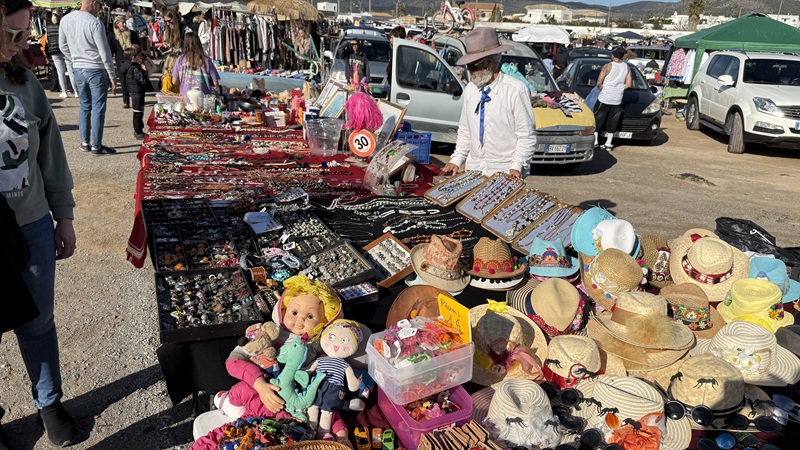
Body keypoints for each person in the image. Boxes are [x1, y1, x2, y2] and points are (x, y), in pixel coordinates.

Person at [0, 0, 78, 446]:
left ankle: (49, 402)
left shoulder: (24, 79)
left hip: (29, 224)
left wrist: (62, 215)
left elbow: (50, 152)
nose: (24, 45)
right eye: (14, 35)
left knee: (38, 321)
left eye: (27, 33)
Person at [441, 28, 536, 179]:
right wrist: (456, 160)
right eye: (468, 65)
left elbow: (526, 136)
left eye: (473, 66)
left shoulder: (516, 90)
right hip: (474, 171)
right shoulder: (471, 90)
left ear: (489, 63)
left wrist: (516, 166)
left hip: (505, 173)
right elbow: (466, 131)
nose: (469, 70)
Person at [59, 0, 118, 156]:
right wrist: (112, 75)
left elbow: (62, 45)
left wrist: (74, 59)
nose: (99, 8)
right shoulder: (95, 23)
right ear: (93, 3)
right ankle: (96, 145)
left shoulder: (66, 19)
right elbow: (104, 51)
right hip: (96, 68)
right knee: (98, 108)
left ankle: (85, 142)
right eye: (99, 4)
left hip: (78, 68)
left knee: (85, 106)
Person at [593, 47, 632, 151]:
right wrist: (618, 88)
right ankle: (608, 143)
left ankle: (596, 141)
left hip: (605, 96)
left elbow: (598, 82)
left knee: (598, 118)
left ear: (613, 55)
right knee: (613, 120)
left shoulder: (608, 66)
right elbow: (628, 85)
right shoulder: (626, 67)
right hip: (617, 97)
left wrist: (604, 88)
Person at [171, 31, 219, 97]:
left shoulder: (180, 60)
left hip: (185, 99)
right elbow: (215, 83)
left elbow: (174, 81)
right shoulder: (206, 60)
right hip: (204, 100)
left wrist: (184, 84)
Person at [121, 44, 153, 140]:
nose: (140, 57)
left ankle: (139, 129)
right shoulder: (134, 68)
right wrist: (144, 71)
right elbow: (142, 79)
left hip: (134, 91)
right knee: (138, 112)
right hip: (137, 91)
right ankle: (138, 131)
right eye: (138, 56)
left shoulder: (127, 66)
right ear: (133, 57)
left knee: (137, 111)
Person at [108, 15, 139, 108]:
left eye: (125, 22)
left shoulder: (132, 34)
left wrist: (136, 47)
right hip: (121, 62)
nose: (124, 24)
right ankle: (126, 100)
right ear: (117, 24)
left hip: (133, 61)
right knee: (124, 81)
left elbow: (139, 47)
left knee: (134, 81)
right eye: (122, 23)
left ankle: (135, 99)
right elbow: (110, 50)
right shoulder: (112, 36)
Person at [45, 11, 78, 98]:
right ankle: (76, 91)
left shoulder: (48, 27)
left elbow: (47, 40)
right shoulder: (64, 25)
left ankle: (64, 91)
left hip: (54, 51)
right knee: (71, 71)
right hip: (66, 50)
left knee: (60, 72)